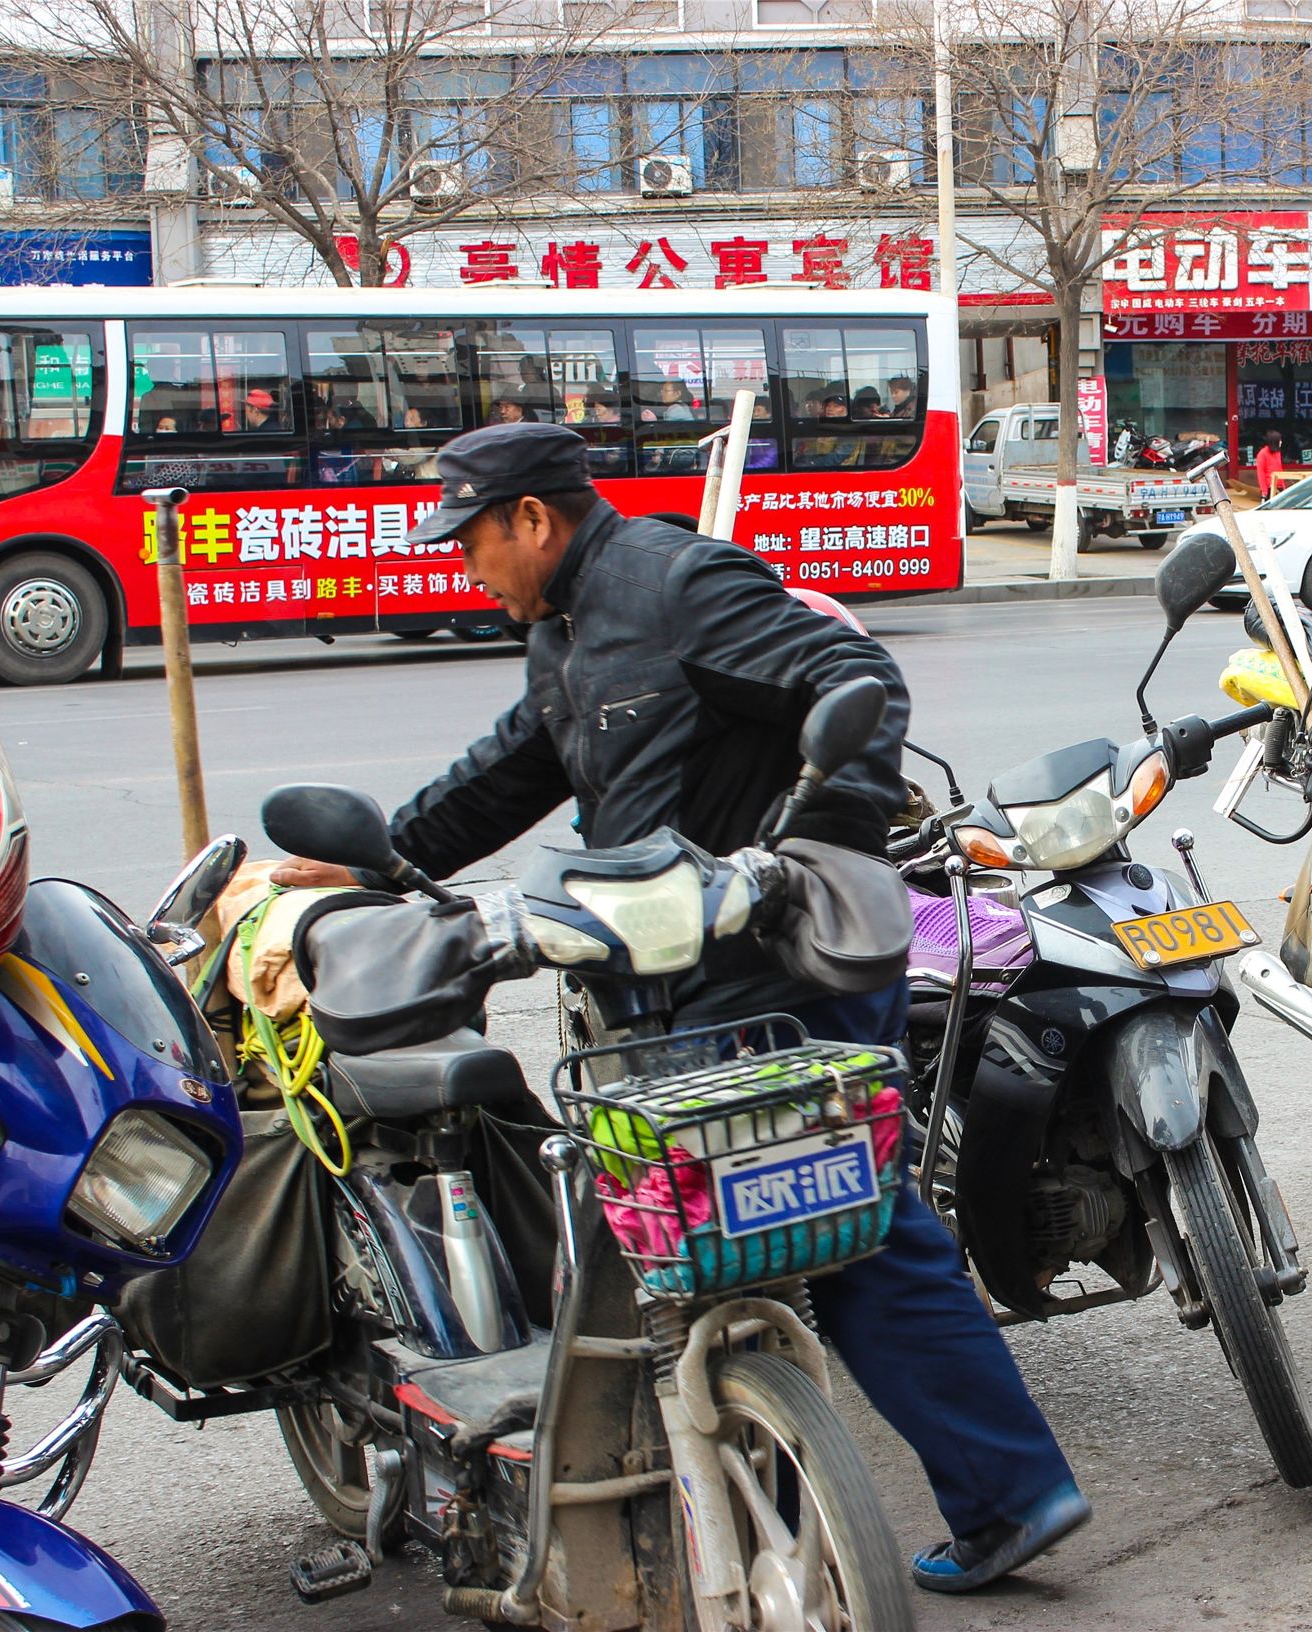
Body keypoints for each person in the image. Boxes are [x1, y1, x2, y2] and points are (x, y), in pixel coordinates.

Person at [270, 422, 1088, 1593]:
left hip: (777, 977)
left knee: (850, 1235)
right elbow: (511, 769)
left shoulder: (678, 579)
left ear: (534, 521)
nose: (465, 568)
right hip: (666, 995)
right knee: (733, 1240)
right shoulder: (561, 638)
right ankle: (812, 1483)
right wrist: (381, 860)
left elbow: (854, 681)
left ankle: (988, 1498)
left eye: (473, 542)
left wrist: (799, 859)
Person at [1254, 430, 1285, 498]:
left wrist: (1283, 486)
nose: (1281, 442)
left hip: (1279, 486)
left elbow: (1280, 470)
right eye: (1279, 440)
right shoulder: (1262, 454)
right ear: (1274, 441)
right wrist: (1264, 490)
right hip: (1269, 487)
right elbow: (1260, 473)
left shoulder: (1277, 453)